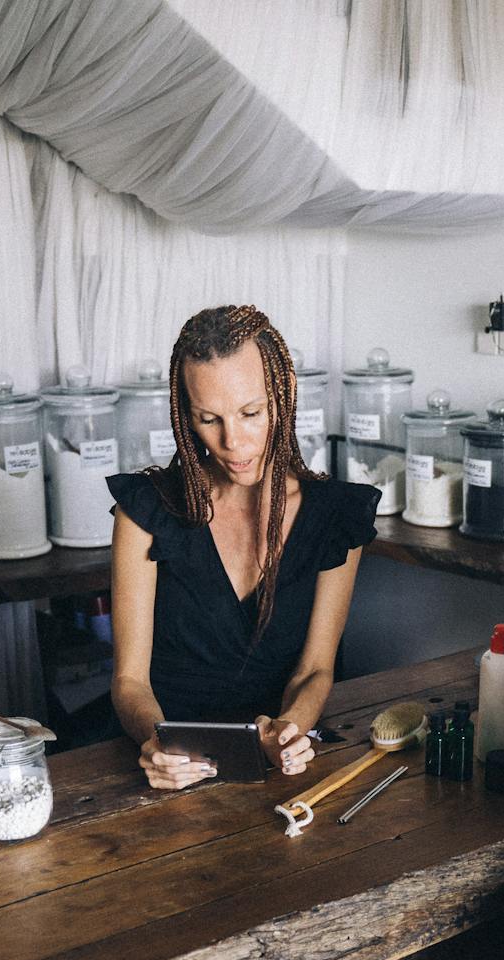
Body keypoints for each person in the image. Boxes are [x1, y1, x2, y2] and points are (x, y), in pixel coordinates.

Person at [108, 305, 379, 790]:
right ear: (185, 417)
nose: (233, 442)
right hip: (168, 769)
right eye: (208, 419)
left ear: (284, 396)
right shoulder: (145, 511)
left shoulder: (335, 517)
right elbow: (130, 680)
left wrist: (290, 728)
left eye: (251, 413)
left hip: (277, 772)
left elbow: (315, 669)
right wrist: (156, 742)